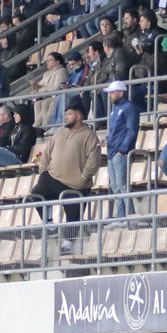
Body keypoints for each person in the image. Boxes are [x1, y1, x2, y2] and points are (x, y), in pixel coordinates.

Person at [30, 102, 103, 252]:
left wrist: (83, 178)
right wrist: (43, 170)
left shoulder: (90, 136)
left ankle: (68, 243)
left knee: (73, 211)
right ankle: (50, 225)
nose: (66, 117)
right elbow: (46, 153)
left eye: (69, 113)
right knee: (36, 194)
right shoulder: (60, 133)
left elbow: (94, 161)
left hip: (76, 184)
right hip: (53, 177)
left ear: (79, 115)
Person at [104, 81, 138, 219]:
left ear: (121, 92)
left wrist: (123, 149)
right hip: (112, 151)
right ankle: (121, 216)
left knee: (122, 186)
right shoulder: (116, 109)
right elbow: (115, 131)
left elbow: (132, 131)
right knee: (115, 187)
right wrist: (107, 139)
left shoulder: (129, 107)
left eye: (112, 92)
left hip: (120, 152)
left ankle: (130, 216)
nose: (110, 95)